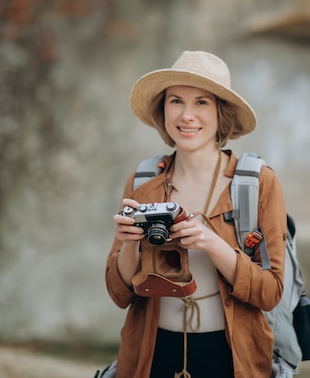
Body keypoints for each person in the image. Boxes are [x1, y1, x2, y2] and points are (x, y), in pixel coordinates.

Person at [106, 50, 288, 378]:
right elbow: (120, 295)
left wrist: (211, 243)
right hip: (152, 355)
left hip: (231, 357)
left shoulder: (258, 183)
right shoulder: (143, 182)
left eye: (201, 102)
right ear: (163, 110)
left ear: (221, 113)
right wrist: (130, 242)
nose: (187, 115)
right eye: (176, 101)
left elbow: (271, 292)